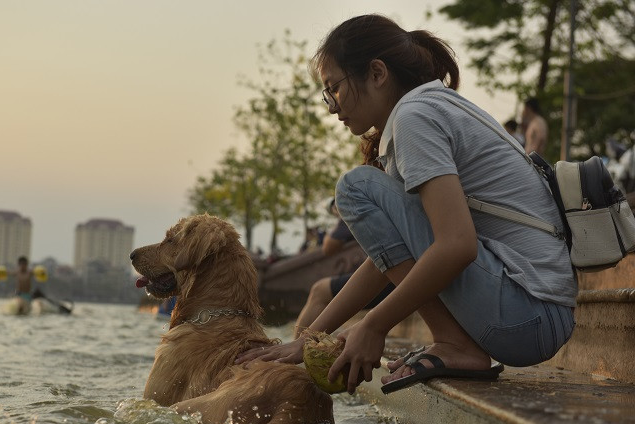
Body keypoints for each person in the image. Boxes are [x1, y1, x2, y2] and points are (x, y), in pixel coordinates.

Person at [237, 14, 576, 395]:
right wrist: (309, 339)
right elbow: (385, 260)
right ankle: (454, 341)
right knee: (360, 186)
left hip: (528, 313)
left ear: (377, 73)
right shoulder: (428, 108)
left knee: (354, 187)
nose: (332, 107)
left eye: (334, 88)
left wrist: (374, 325)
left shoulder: (415, 118)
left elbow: (457, 245)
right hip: (534, 314)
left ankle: (455, 343)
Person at [294, 199, 393, 338]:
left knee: (319, 290)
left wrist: (342, 215)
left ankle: (294, 349)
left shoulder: (355, 201)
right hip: (400, 270)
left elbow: (329, 247)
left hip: (392, 275)